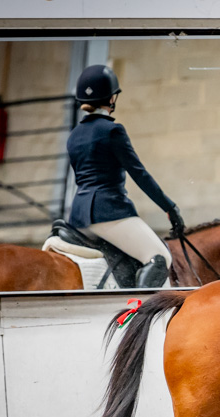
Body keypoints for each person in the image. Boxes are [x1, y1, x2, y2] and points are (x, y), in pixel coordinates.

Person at [65, 64, 184, 288]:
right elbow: (140, 174)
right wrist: (169, 207)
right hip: (108, 212)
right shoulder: (113, 131)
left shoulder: (73, 136)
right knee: (159, 258)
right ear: (111, 99)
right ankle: (139, 318)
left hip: (78, 217)